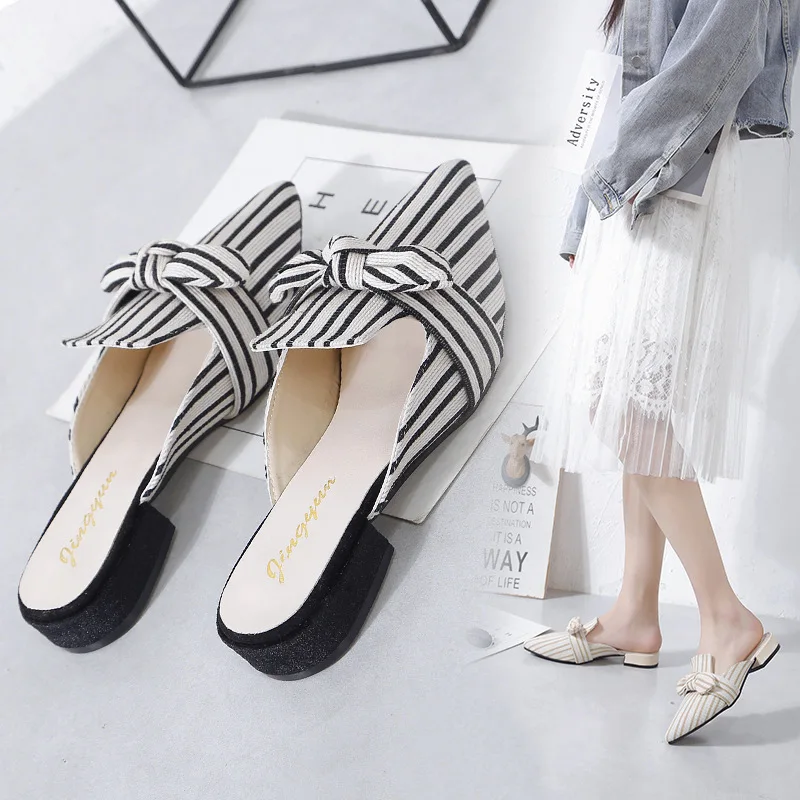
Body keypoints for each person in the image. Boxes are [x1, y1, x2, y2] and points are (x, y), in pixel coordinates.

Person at [525, 0, 800, 743]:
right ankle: (634, 614)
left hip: (669, 179)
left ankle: (727, 618)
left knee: (627, 405)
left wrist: (614, 180)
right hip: (639, 177)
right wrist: (586, 213)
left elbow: (714, 62)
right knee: (626, 394)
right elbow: (622, 77)